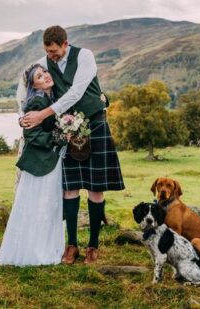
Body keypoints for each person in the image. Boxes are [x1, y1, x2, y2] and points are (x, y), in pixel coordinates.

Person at [20, 25, 124, 265]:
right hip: (67, 130)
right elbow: (26, 81)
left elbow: (76, 92)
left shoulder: (85, 56)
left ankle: (94, 246)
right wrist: (25, 114)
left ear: (65, 44)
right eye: (48, 51)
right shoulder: (45, 61)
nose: (51, 56)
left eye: (54, 51)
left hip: (95, 124)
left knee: (96, 189)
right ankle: (71, 245)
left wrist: (43, 113)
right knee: (70, 188)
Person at [0, 64, 65, 266]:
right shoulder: (36, 101)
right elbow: (32, 134)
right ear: (33, 85)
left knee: (46, 206)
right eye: (39, 75)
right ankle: (36, 253)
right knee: (40, 205)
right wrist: (59, 137)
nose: (45, 76)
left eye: (45, 72)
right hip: (40, 162)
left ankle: (43, 248)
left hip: (48, 160)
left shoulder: (49, 99)